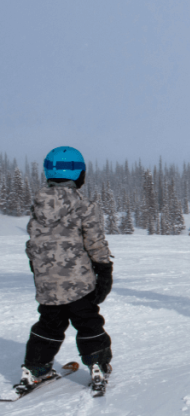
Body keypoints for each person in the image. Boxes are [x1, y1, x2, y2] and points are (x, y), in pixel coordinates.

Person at [18, 146, 114, 395]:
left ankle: (35, 368)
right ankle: (97, 365)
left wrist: (38, 271)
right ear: (79, 175)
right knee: (87, 321)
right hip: (78, 282)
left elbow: (33, 245)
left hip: (47, 283)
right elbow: (94, 242)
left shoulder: (38, 207)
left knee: (49, 323)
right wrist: (104, 270)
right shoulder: (84, 206)